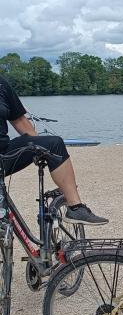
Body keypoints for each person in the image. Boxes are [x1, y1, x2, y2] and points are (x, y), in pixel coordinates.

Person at [0, 75, 107, 225]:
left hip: (4, 155)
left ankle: (75, 207)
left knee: (54, 143)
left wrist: (39, 148)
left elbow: (19, 119)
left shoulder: (1, 84)